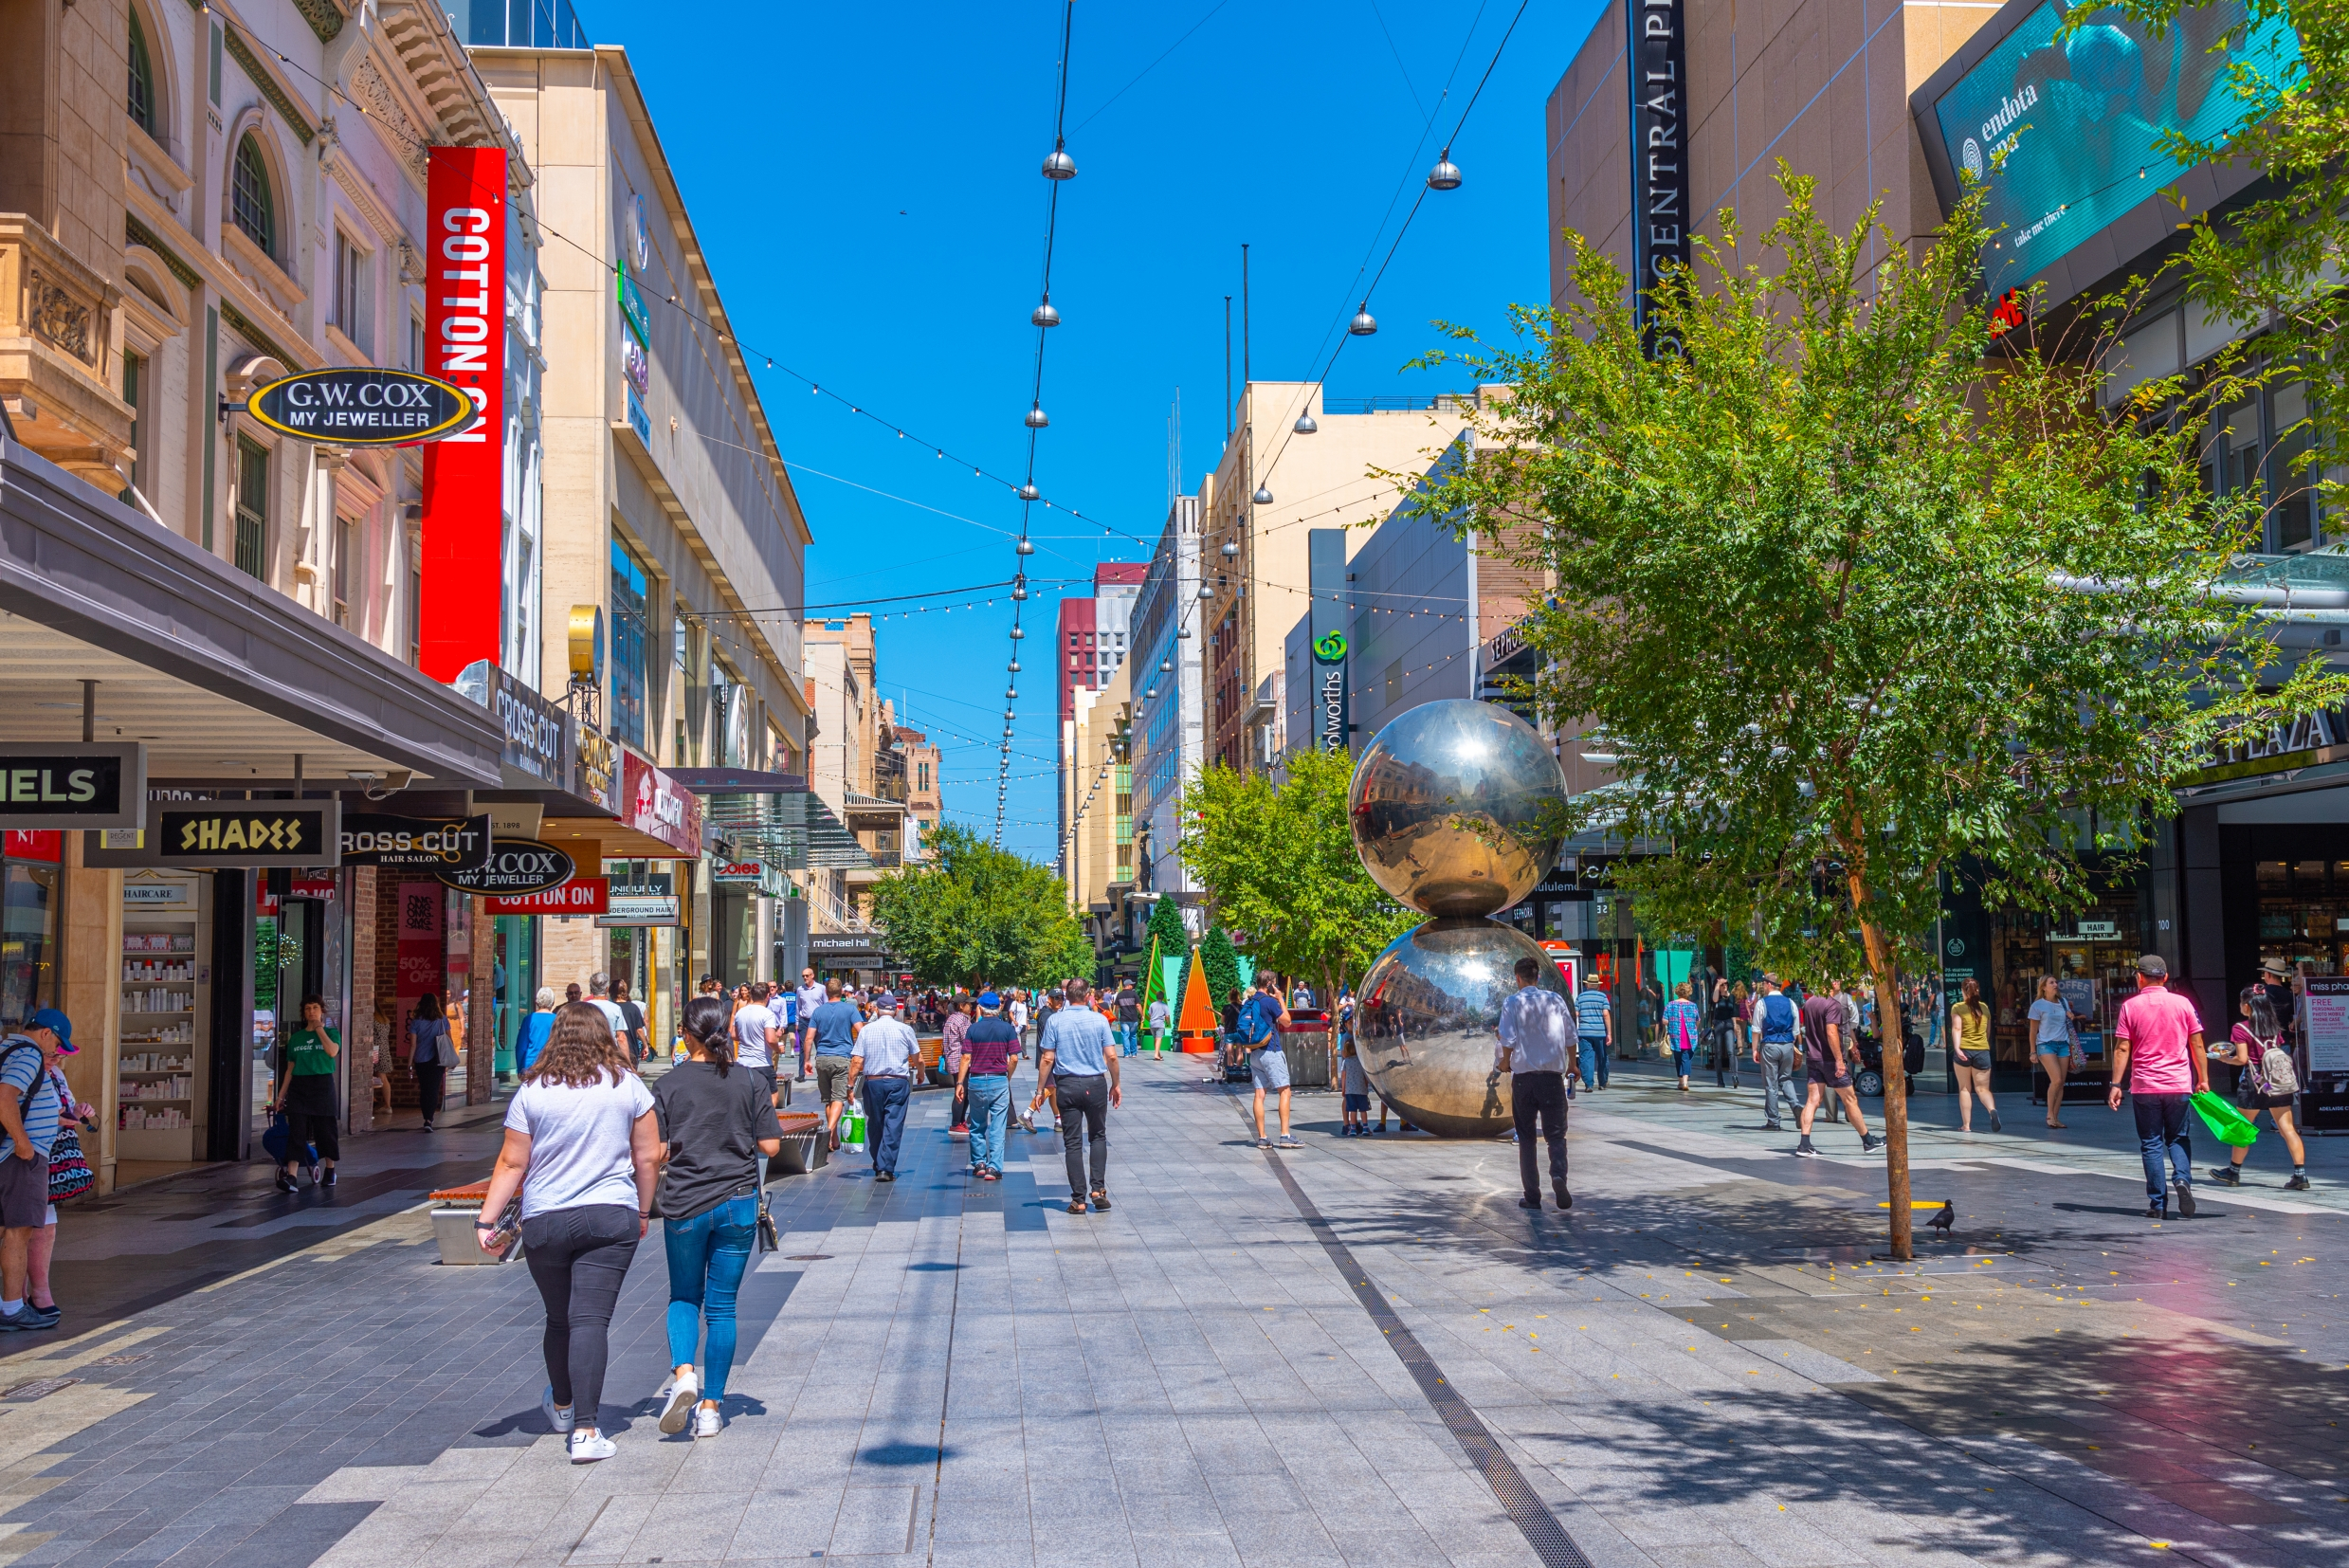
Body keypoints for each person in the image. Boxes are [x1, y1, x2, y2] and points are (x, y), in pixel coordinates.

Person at [477, 1002, 658, 1463]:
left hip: (547, 1219)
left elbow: (512, 1162)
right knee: (590, 1320)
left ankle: (562, 1405)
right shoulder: (627, 1085)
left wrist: (485, 1220)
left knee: (560, 1318)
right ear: (604, 1035)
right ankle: (586, 1430)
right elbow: (649, 1157)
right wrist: (642, 1209)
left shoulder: (533, 1091)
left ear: (556, 1035)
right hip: (610, 1214)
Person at [653, 994, 782, 1440]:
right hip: (738, 1201)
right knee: (723, 1306)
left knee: (684, 1297)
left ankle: (685, 1375)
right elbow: (770, 1147)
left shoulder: (668, 1085)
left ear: (686, 1033)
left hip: (686, 1202)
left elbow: (658, 1151)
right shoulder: (749, 1081)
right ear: (725, 1031)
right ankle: (711, 1407)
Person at [2108, 954, 2210, 1220]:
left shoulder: (2130, 1007)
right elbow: (2197, 1044)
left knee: (2151, 1142)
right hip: (2178, 1084)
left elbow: (2122, 1047)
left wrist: (2116, 1084)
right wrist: (2203, 1079)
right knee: (2178, 1138)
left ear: (2139, 978)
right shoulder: (2183, 1003)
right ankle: (2183, 1179)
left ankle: (2157, 1204)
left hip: (2145, 1086)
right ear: (2164, 977)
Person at [0, 1009, 71, 1331]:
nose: (56, 1050)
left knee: (9, 1231)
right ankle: (13, 1308)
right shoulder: (29, 1055)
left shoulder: (7, 1048)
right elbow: (5, 1098)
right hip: (19, 1159)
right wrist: (24, 1144)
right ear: (45, 1033)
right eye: (57, 1041)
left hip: (10, 1156)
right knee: (20, 1232)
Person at [2212, 986, 2310, 1192]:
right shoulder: (2274, 1028)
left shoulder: (2241, 1028)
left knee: (2243, 1129)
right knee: (2287, 1129)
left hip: (2254, 1084)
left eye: (2241, 1002)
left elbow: (2242, 1059)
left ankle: (2233, 1171)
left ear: (2247, 1006)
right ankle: (2300, 1175)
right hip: (2278, 1084)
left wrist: (2223, 1058)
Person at [1036, 978, 1120, 1214]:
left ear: (1067, 996)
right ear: (1087, 996)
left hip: (1068, 1084)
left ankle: (1078, 1199)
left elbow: (1047, 1058)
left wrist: (1040, 1089)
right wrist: (1116, 1084)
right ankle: (1098, 1189)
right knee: (1098, 1136)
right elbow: (1112, 1057)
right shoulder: (1099, 1020)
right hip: (1095, 1084)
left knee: (1072, 1142)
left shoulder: (1055, 1020)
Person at [1496, 957, 1574, 1210]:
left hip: (1524, 1081)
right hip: (1552, 1079)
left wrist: (1505, 1063)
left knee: (1527, 1137)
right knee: (1556, 1135)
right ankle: (1559, 1175)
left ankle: (1532, 1195)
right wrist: (1573, 1064)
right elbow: (1571, 1035)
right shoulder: (1555, 999)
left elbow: (1507, 1039)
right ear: (1538, 977)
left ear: (1517, 978)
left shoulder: (1512, 1002)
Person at [27, 1049, 91, 1322]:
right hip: (27, 1155)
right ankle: (20, 1298)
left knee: (45, 1227)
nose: (55, 1059)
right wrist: (55, 1119)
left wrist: (77, 1112)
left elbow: (59, 1108)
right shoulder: (24, 1071)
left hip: (51, 1159)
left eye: (59, 1055)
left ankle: (38, 1293)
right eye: (51, 1054)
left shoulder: (56, 1074)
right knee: (21, 1228)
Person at [1796, 978, 1882, 1158]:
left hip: (1813, 1058)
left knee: (1812, 1100)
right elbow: (1831, 1032)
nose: (1839, 984)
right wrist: (1839, 1060)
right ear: (1831, 983)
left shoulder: (1809, 1003)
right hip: (1830, 1060)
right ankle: (1868, 1141)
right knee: (1850, 1100)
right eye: (1836, 980)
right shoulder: (1832, 1004)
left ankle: (1804, 1143)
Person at [269, 994, 341, 1191]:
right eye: (308, 1009)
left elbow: (332, 1052)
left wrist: (319, 1028)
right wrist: (281, 1096)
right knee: (297, 1131)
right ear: (303, 1013)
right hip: (300, 1087)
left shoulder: (332, 1033)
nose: (311, 1012)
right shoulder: (296, 1038)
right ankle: (291, 1176)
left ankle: (330, 1169)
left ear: (322, 1011)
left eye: (315, 1008)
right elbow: (290, 1068)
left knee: (325, 1130)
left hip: (322, 1084)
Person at [847, 993, 918, 1181]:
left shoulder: (866, 1030)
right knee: (893, 1123)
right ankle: (885, 1167)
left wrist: (850, 1085)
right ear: (895, 1011)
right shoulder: (905, 1030)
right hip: (898, 1082)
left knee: (876, 1122)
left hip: (873, 1082)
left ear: (876, 1010)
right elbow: (917, 1057)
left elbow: (856, 1061)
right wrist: (920, 1071)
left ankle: (879, 1162)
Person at [958, 993, 1020, 1179]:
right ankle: (994, 1167)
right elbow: (1015, 1058)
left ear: (980, 1008)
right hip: (999, 1079)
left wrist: (960, 1082)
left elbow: (966, 1057)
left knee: (977, 1124)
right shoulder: (1007, 1029)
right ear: (999, 1008)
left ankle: (979, 1164)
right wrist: (1006, 1077)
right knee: (998, 1125)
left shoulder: (973, 1029)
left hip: (976, 1079)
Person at [1237, 973, 1299, 1149]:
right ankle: (1285, 1135)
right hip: (1271, 1050)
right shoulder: (1269, 1001)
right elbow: (1287, 1022)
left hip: (1255, 1053)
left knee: (1259, 1095)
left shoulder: (1250, 1001)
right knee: (1285, 1091)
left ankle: (1262, 1138)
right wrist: (1280, 999)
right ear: (1271, 984)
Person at [809, 979, 863, 1150]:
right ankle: (827, 1133)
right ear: (842, 992)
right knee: (839, 1098)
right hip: (842, 1058)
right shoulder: (850, 1009)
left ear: (826, 992)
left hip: (822, 1058)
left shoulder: (818, 1011)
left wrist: (805, 1061)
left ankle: (834, 1139)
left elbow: (809, 1038)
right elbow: (862, 1031)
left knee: (828, 1100)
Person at [1951, 977, 2002, 1133]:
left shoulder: (1958, 1007)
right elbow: (1987, 1033)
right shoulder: (1984, 1008)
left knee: (1965, 1089)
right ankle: (1992, 1110)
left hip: (1964, 1051)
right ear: (1977, 990)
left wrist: (1957, 1048)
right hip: (1982, 1051)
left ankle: (1966, 1125)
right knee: (1983, 1089)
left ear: (1962, 991)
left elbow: (1957, 1029)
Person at [2026, 975, 2076, 1129]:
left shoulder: (2063, 1002)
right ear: (2043, 987)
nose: (2055, 984)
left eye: (2056, 982)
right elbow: (2033, 1031)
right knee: (2057, 1080)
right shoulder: (2038, 1005)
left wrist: (2071, 1017)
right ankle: (2049, 1114)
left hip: (2063, 1044)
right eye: (2051, 982)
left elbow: (2066, 1022)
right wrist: (2032, 1051)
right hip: (2046, 1045)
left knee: (2061, 1083)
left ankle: (2056, 1117)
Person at [1752, 975, 1800, 1132]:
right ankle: (1796, 1106)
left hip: (1770, 1044)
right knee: (1786, 1079)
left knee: (1771, 1084)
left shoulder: (1762, 1003)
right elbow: (1796, 1030)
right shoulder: (1791, 1003)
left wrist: (1754, 1049)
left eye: (1764, 984)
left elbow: (1756, 1029)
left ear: (1768, 984)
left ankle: (1773, 1121)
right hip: (1787, 1045)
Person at [731, 981, 781, 1108]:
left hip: (743, 1062)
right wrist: (778, 1048)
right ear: (767, 996)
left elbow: (733, 1035)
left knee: (747, 1096)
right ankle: (766, 1122)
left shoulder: (740, 1012)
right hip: (762, 1062)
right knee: (773, 1094)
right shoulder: (767, 1014)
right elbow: (770, 1039)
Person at [409, 994, 452, 1131]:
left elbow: (413, 1044)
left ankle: (425, 1115)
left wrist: (409, 1063)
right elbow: (449, 1040)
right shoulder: (442, 1019)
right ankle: (429, 1119)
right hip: (438, 1059)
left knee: (424, 1089)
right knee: (434, 1089)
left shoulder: (416, 1021)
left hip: (421, 1059)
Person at [1573, 975, 1612, 1091]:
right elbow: (1606, 1014)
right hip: (1600, 1032)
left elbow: (1576, 1014)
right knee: (1602, 1057)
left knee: (1586, 1058)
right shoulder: (1603, 997)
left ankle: (1588, 1084)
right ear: (1598, 985)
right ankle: (1602, 1083)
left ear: (1587, 985)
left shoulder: (1580, 997)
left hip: (1584, 1032)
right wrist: (1609, 1033)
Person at [1662, 981, 1702, 1091]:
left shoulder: (1670, 1005)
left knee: (1678, 1058)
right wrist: (1694, 1028)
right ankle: (1684, 1082)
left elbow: (1664, 1021)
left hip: (1676, 1036)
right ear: (1688, 992)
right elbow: (1698, 1020)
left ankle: (1681, 1082)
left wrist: (1672, 1022)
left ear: (1677, 992)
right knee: (1687, 1058)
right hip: (1689, 1036)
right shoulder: (1693, 1006)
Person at [941, 994, 972, 1136]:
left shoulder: (951, 1018)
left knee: (963, 1091)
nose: (971, 1006)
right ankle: (956, 1123)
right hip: (961, 1060)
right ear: (961, 1006)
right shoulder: (962, 1020)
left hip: (952, 1059)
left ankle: (960, 1121)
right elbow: (968, 1040)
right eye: (968, 1004)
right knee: (962, 1092)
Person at [585, 973, 632, 1061]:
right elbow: (621, 1037)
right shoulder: (615, 1009)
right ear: (607, 989)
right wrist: (627, 1063)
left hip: (588, 1055)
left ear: (591, 989)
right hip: (609, 1056)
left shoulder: (582, 1008)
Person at [517, 987, 559, 1075]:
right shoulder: (558, 1020)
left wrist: (520, 1069)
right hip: (551, 1065)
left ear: (537, 1002)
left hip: (530, 1065)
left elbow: (521, 1047)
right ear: (553, 1002)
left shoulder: (528, 1020)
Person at [794, 968, 826, 1081]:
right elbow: (798, 1006)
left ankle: (822, 1073)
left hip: (818, 1021)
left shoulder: (821, 988)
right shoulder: (800, 990)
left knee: (820, 1046)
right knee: (804, 1047)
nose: (805, 978)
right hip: (804, 1020)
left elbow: (825, 1004)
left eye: (807, 976)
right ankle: (801, 1074)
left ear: (812, 975)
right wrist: (797, 1021)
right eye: (803, 976)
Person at [1339, 1036, 1372, 1136]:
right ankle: (1365, 1127)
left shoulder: (1346, 1062)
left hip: (1350, 1091)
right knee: (1363, 1109)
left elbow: (1344, 1076)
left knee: (1352, 1110)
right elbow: (1365, 1075)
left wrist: (1343, 1089)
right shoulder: (1361, 1061)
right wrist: (1366, 1085)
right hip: (1361, 1089)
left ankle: (1353, 1129)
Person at [613, 980, 648, 1066]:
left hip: (613, 1051)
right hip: (631, 1049)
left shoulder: (611, 1007)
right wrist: (645, 1044)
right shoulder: (633, 1008)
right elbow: (639, 1029)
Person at [1113, 980, 1141, 1058]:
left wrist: (1117, 1016)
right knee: (1133, 1036)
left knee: (1125, 1036)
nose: (1132, 986)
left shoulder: (1119, 995)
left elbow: (1117, 1007)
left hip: (1124, 1019)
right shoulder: (1134, 994)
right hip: (1133, 1018)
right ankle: (1134, 1053)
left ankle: (1126, 1054)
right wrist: (1142, 1015)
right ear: (1128, 985)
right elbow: (1138, 1005)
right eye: (1132, 985)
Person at [1146, 993, 1171, 1060]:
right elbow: (1167, 1016)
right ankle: (1156, 1055)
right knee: (1159, 1039)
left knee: (1155, 1039)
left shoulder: (1152, 1004)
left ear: (1156, 997)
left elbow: (1149, 1014)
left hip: (1152, 1024)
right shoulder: (1164, 1006)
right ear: (1163, 998)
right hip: (1160, 1024)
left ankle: (1158, 1054)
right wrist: (1168, 1022)